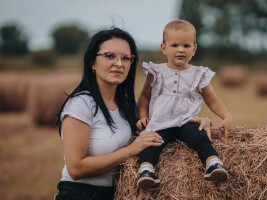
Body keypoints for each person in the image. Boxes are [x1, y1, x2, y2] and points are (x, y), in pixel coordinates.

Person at [54, 27, 212, 200]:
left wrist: (200, 121)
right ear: (92, 61)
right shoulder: (81, 104)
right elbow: (76, 169)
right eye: (109, 56)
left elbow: (171, 122)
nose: (119, 64)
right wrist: (132, 150)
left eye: (126, 58)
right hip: (79, 194)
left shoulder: (131, 106)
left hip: (117, 194)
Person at [136, 20, 233, 189]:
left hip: (186, 121)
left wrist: (226, 116)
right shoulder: (156, 72)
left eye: (186, 46)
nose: (181, 50)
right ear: (164, 47)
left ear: (194, 49)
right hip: (160, 122)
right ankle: (146, 171)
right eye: (174, 45)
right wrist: (143, 115)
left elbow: (211, 99)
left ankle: (213, 163)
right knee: (150, 142)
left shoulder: (198, 74)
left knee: (200, 136)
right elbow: (144, 95)